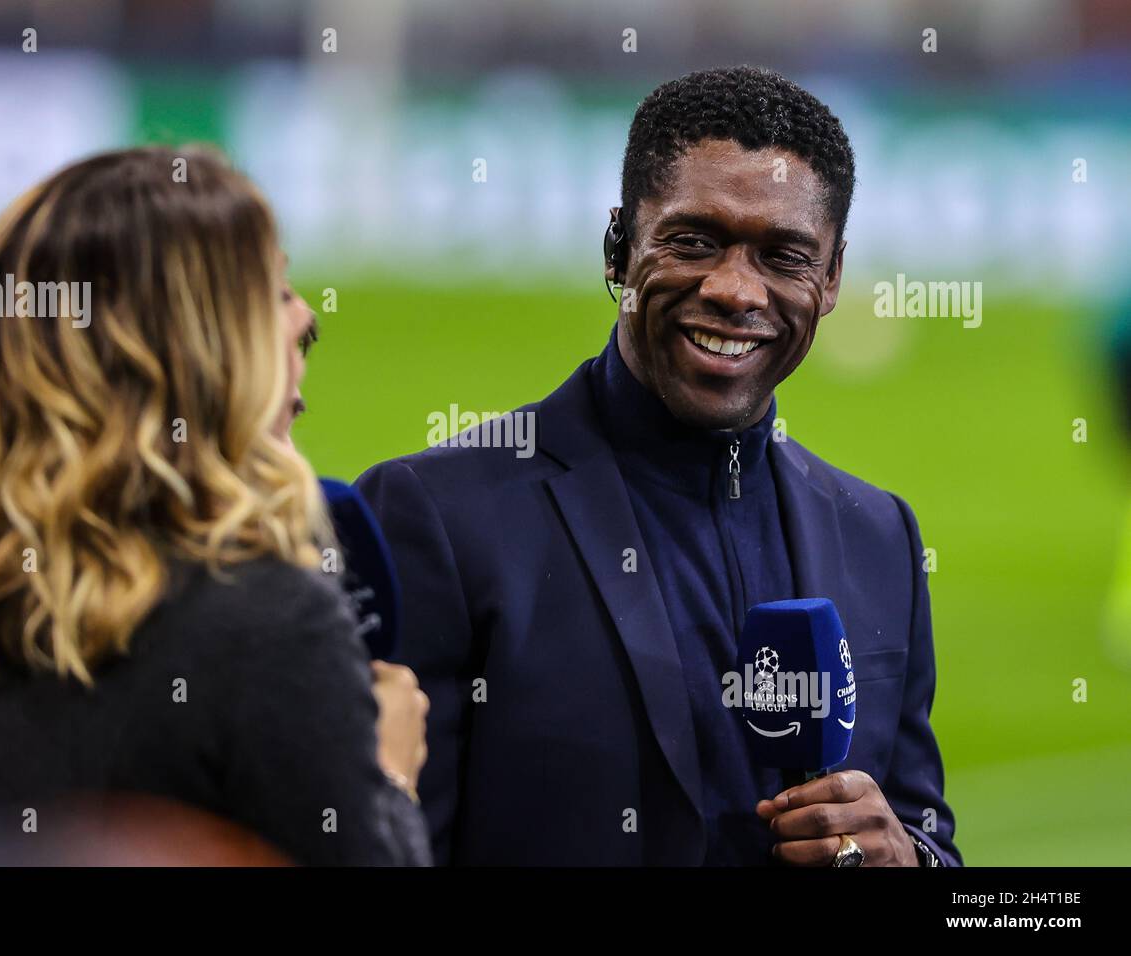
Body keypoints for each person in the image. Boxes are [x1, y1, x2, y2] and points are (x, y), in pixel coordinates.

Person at [357, 67, 961, 867]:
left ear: (833, 278)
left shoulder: (881, 537)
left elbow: (937, 846)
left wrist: (907, 859)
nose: (735, 291)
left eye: (784, 256)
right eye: (694, 241)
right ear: (619, 246)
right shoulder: (433, 515)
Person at [0, 145, 429, 866]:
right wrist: (390, 775)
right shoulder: (273, 622)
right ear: (192, 348)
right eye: (271, 291)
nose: (304, 317)